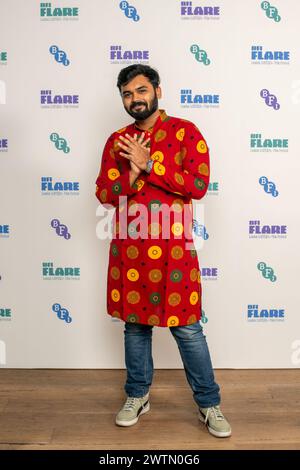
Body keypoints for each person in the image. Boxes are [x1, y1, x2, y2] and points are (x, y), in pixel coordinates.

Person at [95, 64, 231, 438]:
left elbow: (198, 184)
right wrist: (133, 174)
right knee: (135, 327)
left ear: (157, 90)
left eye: (140, 91)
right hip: (130, 252)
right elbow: (105, 195)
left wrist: (150, 164)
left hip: (174, 253)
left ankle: (209, 403)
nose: (134, 99)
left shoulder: (186, 133)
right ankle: (137, 395)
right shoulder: (117, 140)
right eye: (126, 94)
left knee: (188, 329)